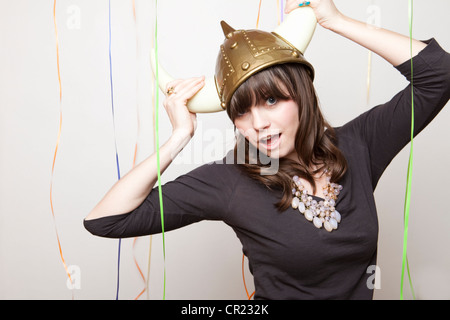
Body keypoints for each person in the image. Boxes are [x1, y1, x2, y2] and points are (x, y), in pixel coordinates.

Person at [84, 0, 450, 299]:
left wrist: (337, 21)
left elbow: (439, 75)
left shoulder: (358, 145)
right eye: (241, 111)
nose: (257, 123)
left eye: (272, 100)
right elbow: (105, 220)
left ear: (301, 93)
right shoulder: (228, 180)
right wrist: (180, 136)